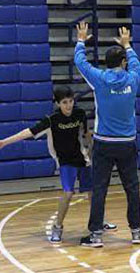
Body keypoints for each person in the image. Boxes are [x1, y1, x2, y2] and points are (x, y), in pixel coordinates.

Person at [0, 86, 117, 243]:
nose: (68, 105)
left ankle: (99, 222)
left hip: (82, 159)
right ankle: (57, 227)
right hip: (65, 161)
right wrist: (4, 142)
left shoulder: (79, 114)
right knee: (68, 194)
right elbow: (28, 132)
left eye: (70, 101)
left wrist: (91, 149)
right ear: (57, 103)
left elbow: (85, 133)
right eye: (64, 102)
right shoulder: (51, 120)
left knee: (92, 192)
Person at [74, 22, 140, 247]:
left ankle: (96, 236)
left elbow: (80, 62)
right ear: (123, 62)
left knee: (100, 188)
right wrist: (128, 44)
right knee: (132, 188)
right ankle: (136, 232)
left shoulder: (100, 79)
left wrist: (81, 40)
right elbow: (136, 64)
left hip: (104, 143)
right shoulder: (132, 79)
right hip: (128, 143)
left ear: (106, 63)